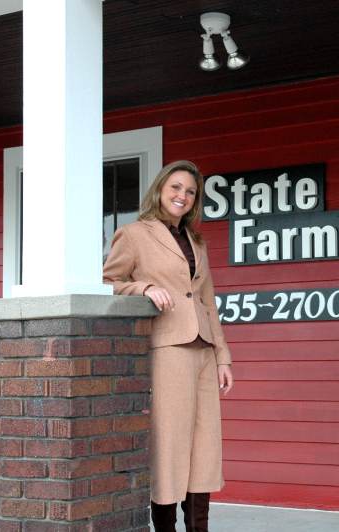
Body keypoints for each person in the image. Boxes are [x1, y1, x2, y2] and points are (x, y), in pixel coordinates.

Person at [103, 160, 234, 532]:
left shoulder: (196, 241)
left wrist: (223, 356)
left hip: (204, 351)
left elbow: (208, 301)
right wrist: (143, 287)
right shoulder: (133, 234)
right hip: (167, 348)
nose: (183, 196)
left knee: (205, 449)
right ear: (160, 189)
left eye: (191, 192)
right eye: (176, 187)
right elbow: (108, 280)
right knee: (170, 446)